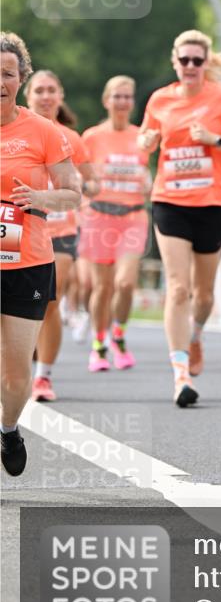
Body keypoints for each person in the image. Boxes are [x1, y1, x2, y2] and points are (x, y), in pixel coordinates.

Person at [138, 30, 221, 407]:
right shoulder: (160, 99)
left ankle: (196, 333)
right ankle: (180, 373)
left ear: (206, 63)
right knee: (178, 287)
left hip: (213, 203)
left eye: (197, 61)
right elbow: (146, 139)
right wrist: (146, 144)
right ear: (174, 61)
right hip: (170, 201)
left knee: (203, 296)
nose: (190, 66)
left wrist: (213, 140)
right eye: (184, 60)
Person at [0, 33, 80, 475]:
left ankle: (8, 428)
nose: (0, 82)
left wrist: (43, 199)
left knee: (14, 375)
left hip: (26, 263)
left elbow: (73, 193)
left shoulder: (42, 131)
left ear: (21, 79)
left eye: (7, 74)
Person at [24, 70, 96, 402]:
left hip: (61, 230)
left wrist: (86, 189)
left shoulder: (70, 138)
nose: (46, 96)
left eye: (52, 90)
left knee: (50, 301)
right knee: (18, 304)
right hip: (20, 230)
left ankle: (43, 376)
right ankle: (22, 361)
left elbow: (91, 181)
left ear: (61, 95)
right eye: (39, 90)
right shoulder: (16, 133)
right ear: (29, 96)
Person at [79, 76, 151, 372]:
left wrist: (148, 183)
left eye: (127, 97)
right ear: (106, 100)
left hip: (133, 216)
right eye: (117, 96)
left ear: (133, 103)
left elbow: (146, 175)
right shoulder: (92, 137)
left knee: (125, 283)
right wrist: (89, 186)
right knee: (103, 287)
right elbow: (80, 179)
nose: (122, 102)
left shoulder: (143, 137)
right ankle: (98, 345)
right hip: (99, 217)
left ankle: (118, 335)